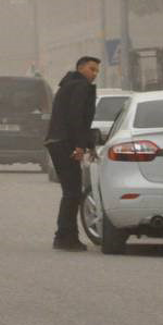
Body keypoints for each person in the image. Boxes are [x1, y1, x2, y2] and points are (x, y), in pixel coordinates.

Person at [45, 56, 100, 252]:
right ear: (81, 68)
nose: (94, 74)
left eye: (96, 71)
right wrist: (79, 146)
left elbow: (79, 119)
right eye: (91, 69)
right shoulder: (80, 86)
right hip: (65, 143)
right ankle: (65, 238)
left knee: (71, 192)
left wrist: (88, 145)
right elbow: (77, 117)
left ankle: (65, 236)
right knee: (72, 192)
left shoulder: (68, 85)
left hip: (57, 142)